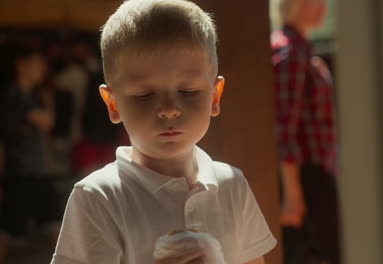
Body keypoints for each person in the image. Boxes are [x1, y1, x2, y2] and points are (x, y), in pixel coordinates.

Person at [51, 0, 277, 263]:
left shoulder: (231, 185)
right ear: (113, 104)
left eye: (188, 91)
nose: (169, 109)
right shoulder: (99, 196)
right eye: (145, 95)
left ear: (214, 97)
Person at [271, 0, 340, 263]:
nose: (323, 6)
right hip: (306, 180)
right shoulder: (290, 52)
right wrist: (292, 195)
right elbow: (283, 127)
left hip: (314, 175)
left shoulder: (300, 50)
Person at [0, 46, 61, 261]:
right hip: (22, 171)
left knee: (54, 223)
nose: (41, 70)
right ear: (21, 65)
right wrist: (49, 101)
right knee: (8, 229)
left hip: (37, 170)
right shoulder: (14, 95)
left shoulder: (30, 96)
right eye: (36, 65)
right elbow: (47, 122)